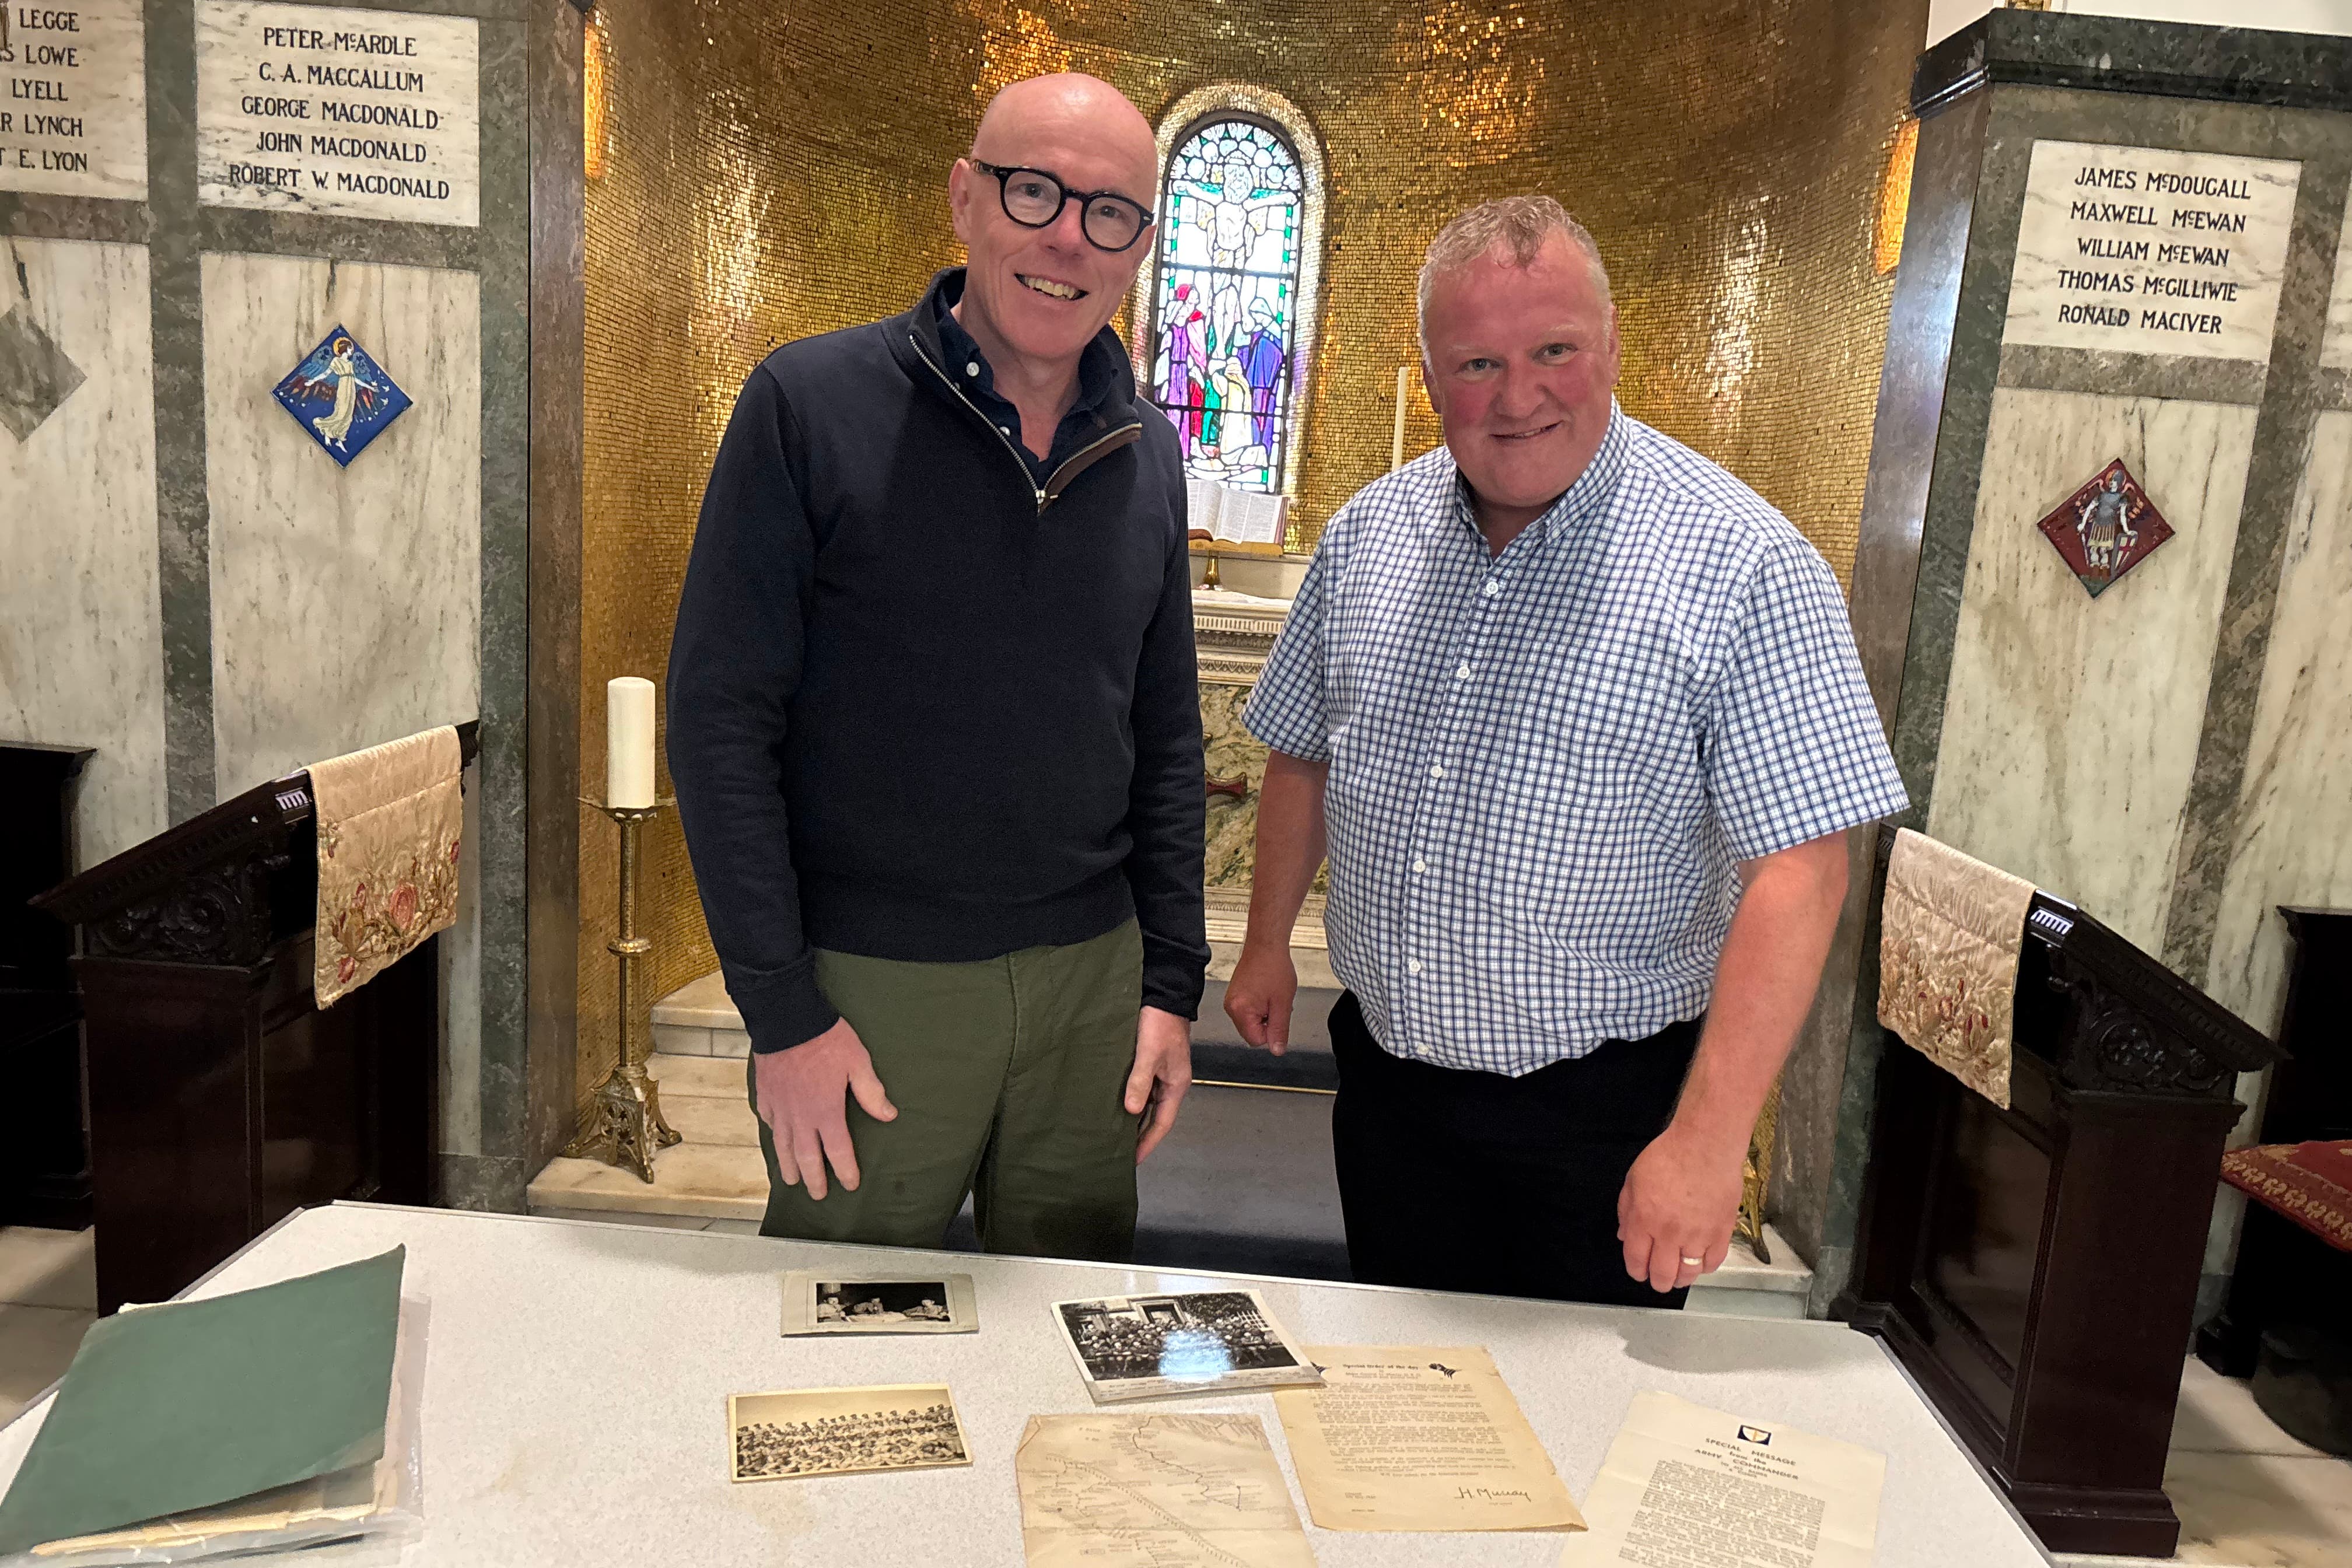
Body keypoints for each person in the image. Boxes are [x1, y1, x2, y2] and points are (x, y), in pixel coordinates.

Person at [1226, 195, 1906, 1308]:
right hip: (1392, 1094)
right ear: (1430, 375)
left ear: (1613, 346)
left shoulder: (1743, 562)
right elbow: (1303, 751)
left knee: (1586, 1441)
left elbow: (1803, 867)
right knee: (1410, 1408)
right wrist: (1265, 945)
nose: (1520, 395)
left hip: (1603, 1113)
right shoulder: (1368, 534)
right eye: (1478, 362)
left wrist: (1705, 1141)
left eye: (1555, 351)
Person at [667, 73, 1207, 1264]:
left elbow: (1168, 739)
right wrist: (783, 1015)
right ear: (965, 198)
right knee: (846, 1350)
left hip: (1091, 993)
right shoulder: (808, 407)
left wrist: (1168, 985)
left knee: (1065, 1339)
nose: (1068, 236)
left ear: (1140, 249)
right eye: (1034, 192)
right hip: (875, 986)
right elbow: (718, 724)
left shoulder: (1150, 454)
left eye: (1110, 211)